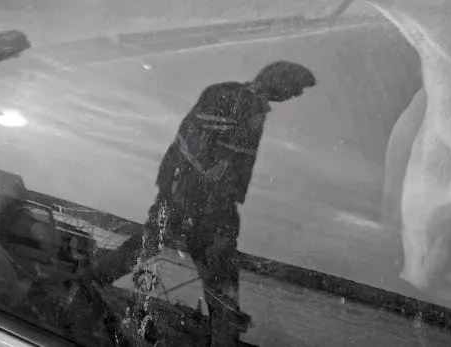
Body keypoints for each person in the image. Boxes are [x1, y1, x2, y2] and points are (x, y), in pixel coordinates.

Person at [130, 60, 316, 346]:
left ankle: (92, 278)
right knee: (212, 272)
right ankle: (91, 280)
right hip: (196, 200)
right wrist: (201, 205)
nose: (293, 95)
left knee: (162, 247)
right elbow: (193, 146)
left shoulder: (247, 103)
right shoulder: (235, 98)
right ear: (277, 79)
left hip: (204, 202)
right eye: (293, 88)